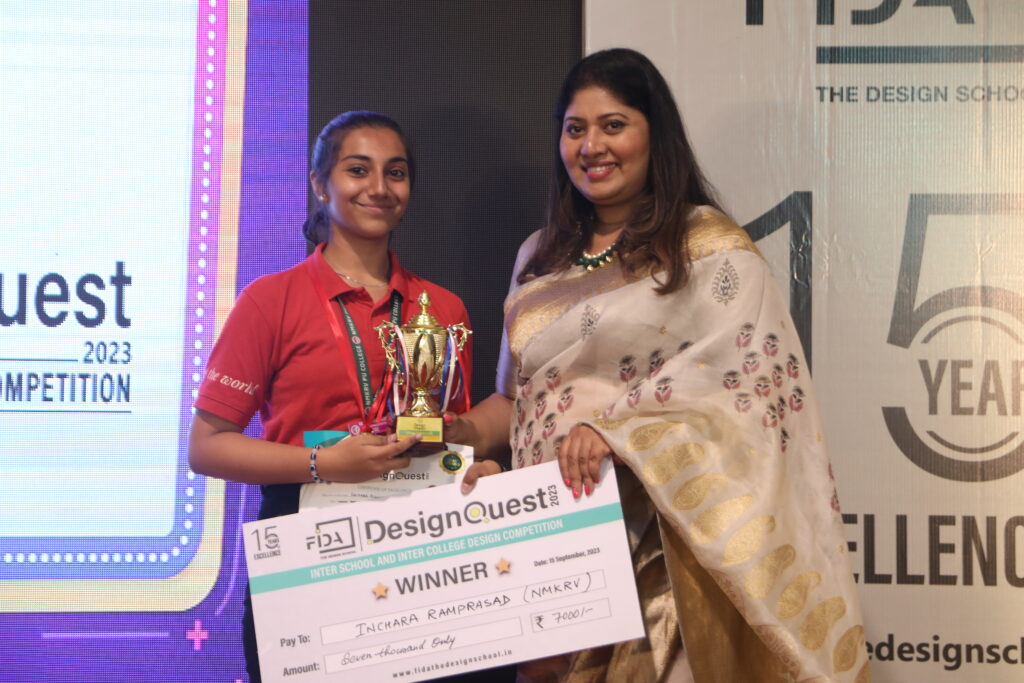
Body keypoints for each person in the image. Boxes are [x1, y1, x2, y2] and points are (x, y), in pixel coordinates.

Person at [450, 49, 869, 682]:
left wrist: (619, 431)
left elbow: (751, 395)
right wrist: (449, 439)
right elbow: (515, 402)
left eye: (614, 124)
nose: (592, 145)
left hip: (662, 555)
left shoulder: (708, 249)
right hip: (552, 554)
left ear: (654, 135)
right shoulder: (538, 257)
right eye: (575, 128)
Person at [188, 111, 500, 682]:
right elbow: (207, 447)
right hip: (304, 539)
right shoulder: (270, 300)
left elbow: (444, 435)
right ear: (319, 183)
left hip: (420, 548)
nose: (379, 188)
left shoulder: (442, 309)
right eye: (359, 170)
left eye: (396, 172)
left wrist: (476, 465)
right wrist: (324, 463)